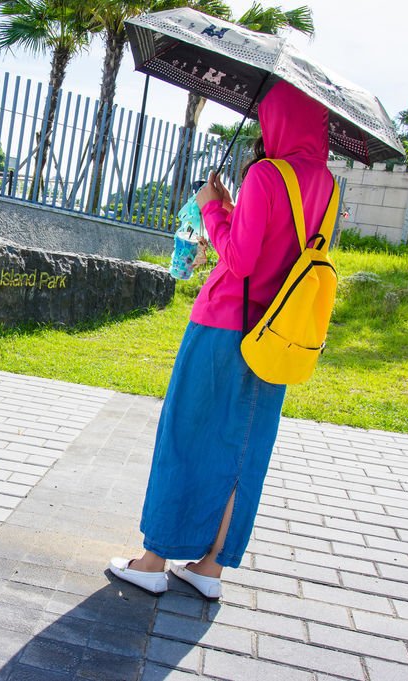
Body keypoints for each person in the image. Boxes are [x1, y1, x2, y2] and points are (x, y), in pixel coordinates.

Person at [108, 80, 335, 598]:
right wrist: (234, 209)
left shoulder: (265, 173)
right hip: (276, 334)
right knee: (244, 449)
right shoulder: (326, 183)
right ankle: (210, 569)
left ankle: (152, 559)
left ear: (276, 118)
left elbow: (239, 261)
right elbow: (280, 249)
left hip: (223, 324)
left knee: (186, 435)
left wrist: (212, 207)